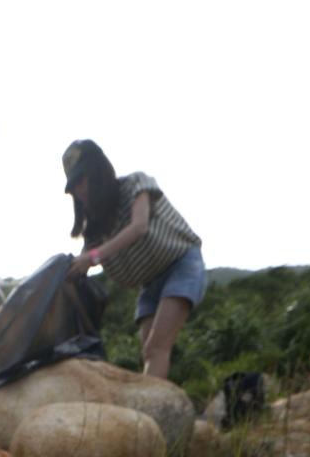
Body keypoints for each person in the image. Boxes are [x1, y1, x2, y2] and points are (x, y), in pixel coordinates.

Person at [62, 140, 205, 380]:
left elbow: (139, 227)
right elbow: (81, 264)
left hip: (181, 265)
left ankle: (151, 414)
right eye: (74, 186)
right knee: (149, 353)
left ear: (98, 171)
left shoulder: (136, 185)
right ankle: (153, 406)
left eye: (82, 180)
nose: (80, 190)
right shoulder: (95, 228)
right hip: (150, 284)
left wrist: (94, 257)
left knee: (156, 347)